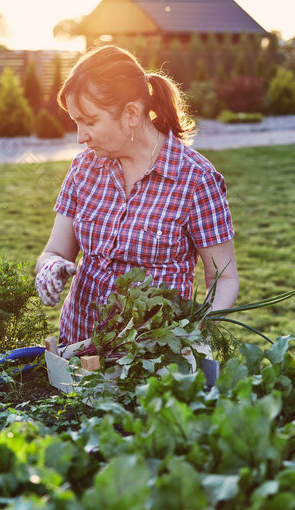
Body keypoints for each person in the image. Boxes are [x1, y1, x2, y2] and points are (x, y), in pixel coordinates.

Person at [35, 45, 239, 347]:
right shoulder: (83, 168)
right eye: (76, 122)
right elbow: (54, 252)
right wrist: (50, 267)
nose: (80, 137)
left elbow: (223, 278)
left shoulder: (195, 180)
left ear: (131, 113)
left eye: (89, 121)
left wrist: (194, 336)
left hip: (150, 359)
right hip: (76, 347)